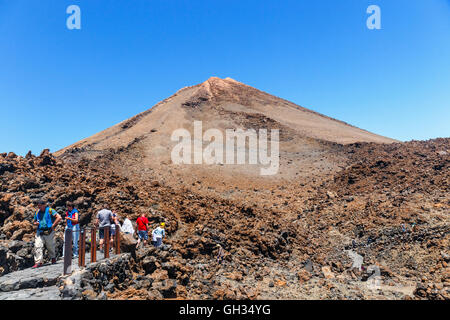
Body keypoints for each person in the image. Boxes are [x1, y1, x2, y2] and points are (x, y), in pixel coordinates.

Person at [32, 199, 62, 268]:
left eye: (40, 206)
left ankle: (53, 257)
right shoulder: (37, 212)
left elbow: (59, 217)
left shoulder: (50, 210)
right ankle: (38, 262)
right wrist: (35, 223)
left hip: (49, 231)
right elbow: (34, 221)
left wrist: (53, 225)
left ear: (44, 205)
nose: (39, 207)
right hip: (40, 231)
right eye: (38, 206)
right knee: (37, 245)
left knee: (50, 246)